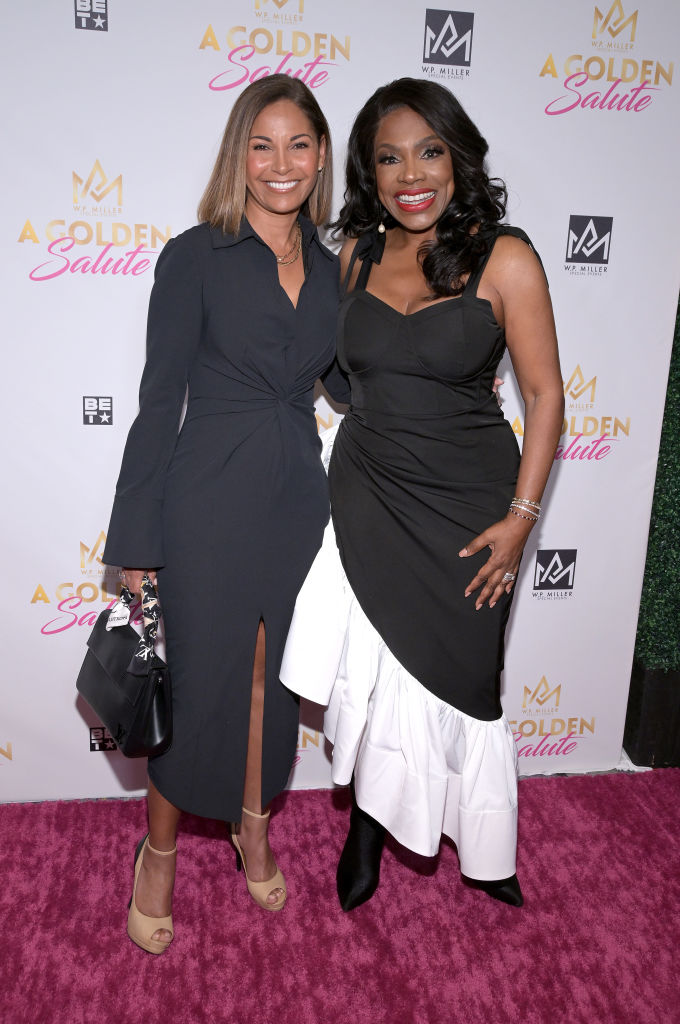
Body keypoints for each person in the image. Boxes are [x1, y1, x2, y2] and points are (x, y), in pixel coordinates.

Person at [281, 78, 564, 910]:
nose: (412, 175)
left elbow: (545, 394)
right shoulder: (357, 256)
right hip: (369, 491)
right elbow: (338, 374)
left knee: (468, 676)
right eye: (390, 158)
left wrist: (521, 520)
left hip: (472, 506)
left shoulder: (504, 257)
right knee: (377, 667)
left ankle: (486, 844)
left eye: (429, 152)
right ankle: (368, 828)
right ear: (369, 174)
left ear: (457, 157)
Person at [103, 75, 349, 953]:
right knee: (198, 688)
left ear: (320, 157)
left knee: (269, 684)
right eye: (263, 144)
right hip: (205, 500)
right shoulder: (195, 255)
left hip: (297, 502)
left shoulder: (335, 269)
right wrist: (136, 538)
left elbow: (349, 384)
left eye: (299, 145)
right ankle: (159, 854)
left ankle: (254, 825)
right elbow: (156, 399)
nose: (282, 164)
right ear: (238, 155)